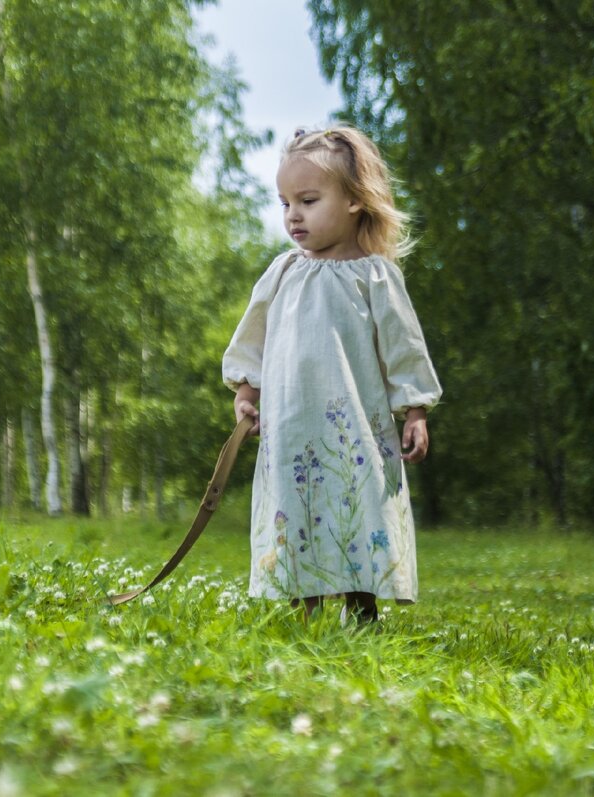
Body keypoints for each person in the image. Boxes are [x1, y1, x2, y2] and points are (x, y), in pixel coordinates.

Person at [222, 126, 442, 625]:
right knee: (296, 508)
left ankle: (363, 613)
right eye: (284, 203)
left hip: (355, 431)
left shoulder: (375, 276)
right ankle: (305, 616)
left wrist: (416, 411)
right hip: (292, 429)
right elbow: (251, 340)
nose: (292, 215)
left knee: (358, 505)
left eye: (307, 200)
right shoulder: (282, 273)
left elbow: (404, 348)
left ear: (353, 201)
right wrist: (245, 391)